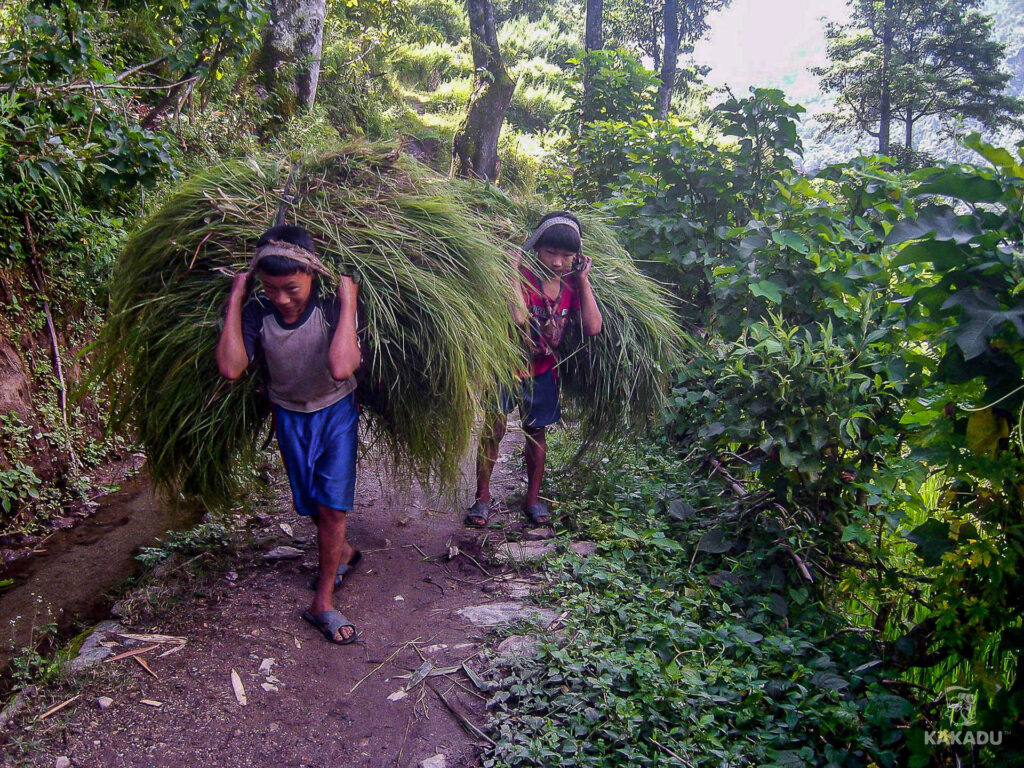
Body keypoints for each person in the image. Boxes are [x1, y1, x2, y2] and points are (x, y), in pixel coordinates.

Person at [216, 224, 363, 645]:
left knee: (333, 508)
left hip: (336, 412)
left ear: (313, 276)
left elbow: (341, 368)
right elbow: (230, 368)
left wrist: (348, 301)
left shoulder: (333, 308)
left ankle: (323, 600)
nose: (281, 298)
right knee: (311, 505)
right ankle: (345, 553)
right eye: (270, 288)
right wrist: (236, 299)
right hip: (288, 415)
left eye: (291, 288)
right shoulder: (258, 313)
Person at [466, 211, 603, 528]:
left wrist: (583, 280)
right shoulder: (523, 277)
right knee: (493, 430)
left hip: (543, 371)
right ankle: (482, 498)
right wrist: (513, 269)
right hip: (505, 368)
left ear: (577, 257)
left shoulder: (571, 284)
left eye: (567, 255)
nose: (558, 262)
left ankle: (533, 499)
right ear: (536, 248)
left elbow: (593, 326)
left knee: (537, 434)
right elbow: (517, 317)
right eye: (551, 252)